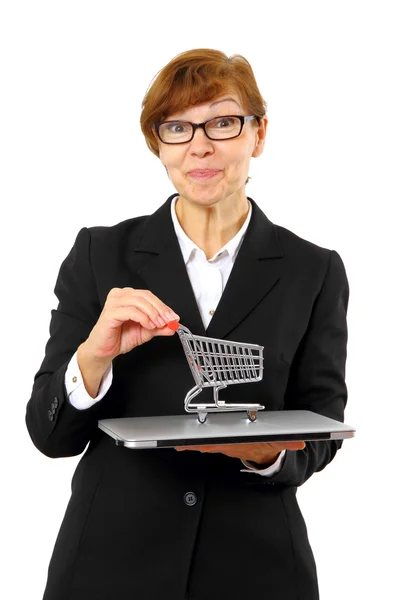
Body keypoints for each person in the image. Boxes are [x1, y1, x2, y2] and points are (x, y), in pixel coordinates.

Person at [26, 48, 350, 600]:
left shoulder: (313, 269)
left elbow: (322, 422)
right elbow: (49, 435)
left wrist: (267, 453)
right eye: (177, 127)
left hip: (256, 569)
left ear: (259, 134)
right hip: (111, 565)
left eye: (222, 122)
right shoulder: (98, 255)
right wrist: (94, 356)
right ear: (158, 145)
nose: (200, 145)